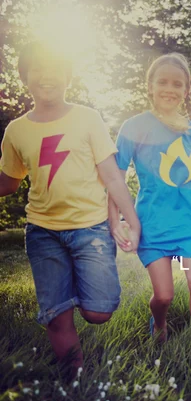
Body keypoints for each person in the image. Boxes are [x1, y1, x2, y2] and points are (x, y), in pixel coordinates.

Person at [0, 42, 140, 374]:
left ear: (67, 76)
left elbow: (113, 178)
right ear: (24, 76)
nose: (46, 76)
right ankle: (74, 378)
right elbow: (8, 182)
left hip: (90, 229)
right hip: (42, 233)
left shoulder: (87, 118)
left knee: (98, 312)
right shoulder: (17, 130)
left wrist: (130, 222)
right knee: (56, 317)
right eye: (37, 69)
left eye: (54, 69)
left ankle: (79, 283)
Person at [109, 53, 191, 368]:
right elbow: (115, 175)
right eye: (163, 82)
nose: (169, 89)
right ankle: (159, 322)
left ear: (186, 90)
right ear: (151, 86)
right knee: (164, 296)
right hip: (151, 222)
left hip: (188, 220)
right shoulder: (133, 126)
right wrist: (115, 220)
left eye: (177, 84)